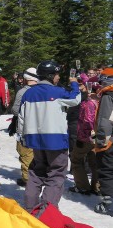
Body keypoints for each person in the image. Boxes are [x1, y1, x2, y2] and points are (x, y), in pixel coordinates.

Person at [18, 60, 80, 212]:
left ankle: (30, 206)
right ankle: (48, 211)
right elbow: (75, 99)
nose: (58, 77)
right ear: (51, 75)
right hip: (55, 140)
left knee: (36, 172)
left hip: (35, 139)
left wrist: (22, 137)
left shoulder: (28, 93)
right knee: (56, 173)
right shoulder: (57, 92)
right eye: (57, 74)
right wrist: (74, 83)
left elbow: (21, 117)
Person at [68, 81, 99, 195]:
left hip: (87, 137)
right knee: (94, 161)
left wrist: (82, 138)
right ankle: (97, 187)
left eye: (82, 85)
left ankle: (83, 186)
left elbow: (88, 121)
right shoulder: (100, 101)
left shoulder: (88, 102)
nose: (80, 88)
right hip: (98, 137)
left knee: (76, 159)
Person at [11, 67, 38, 187]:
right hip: (42, 128)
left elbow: (15, 110)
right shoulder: (44, 90)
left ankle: (27, 179)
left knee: (25, 153)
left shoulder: (22, 92)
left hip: (26, 127)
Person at [94, 68, 113, 216]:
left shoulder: (108, 95)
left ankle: (108, 203)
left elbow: (105, 121)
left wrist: (101, 141)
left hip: (110, 141)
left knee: (107, 170)